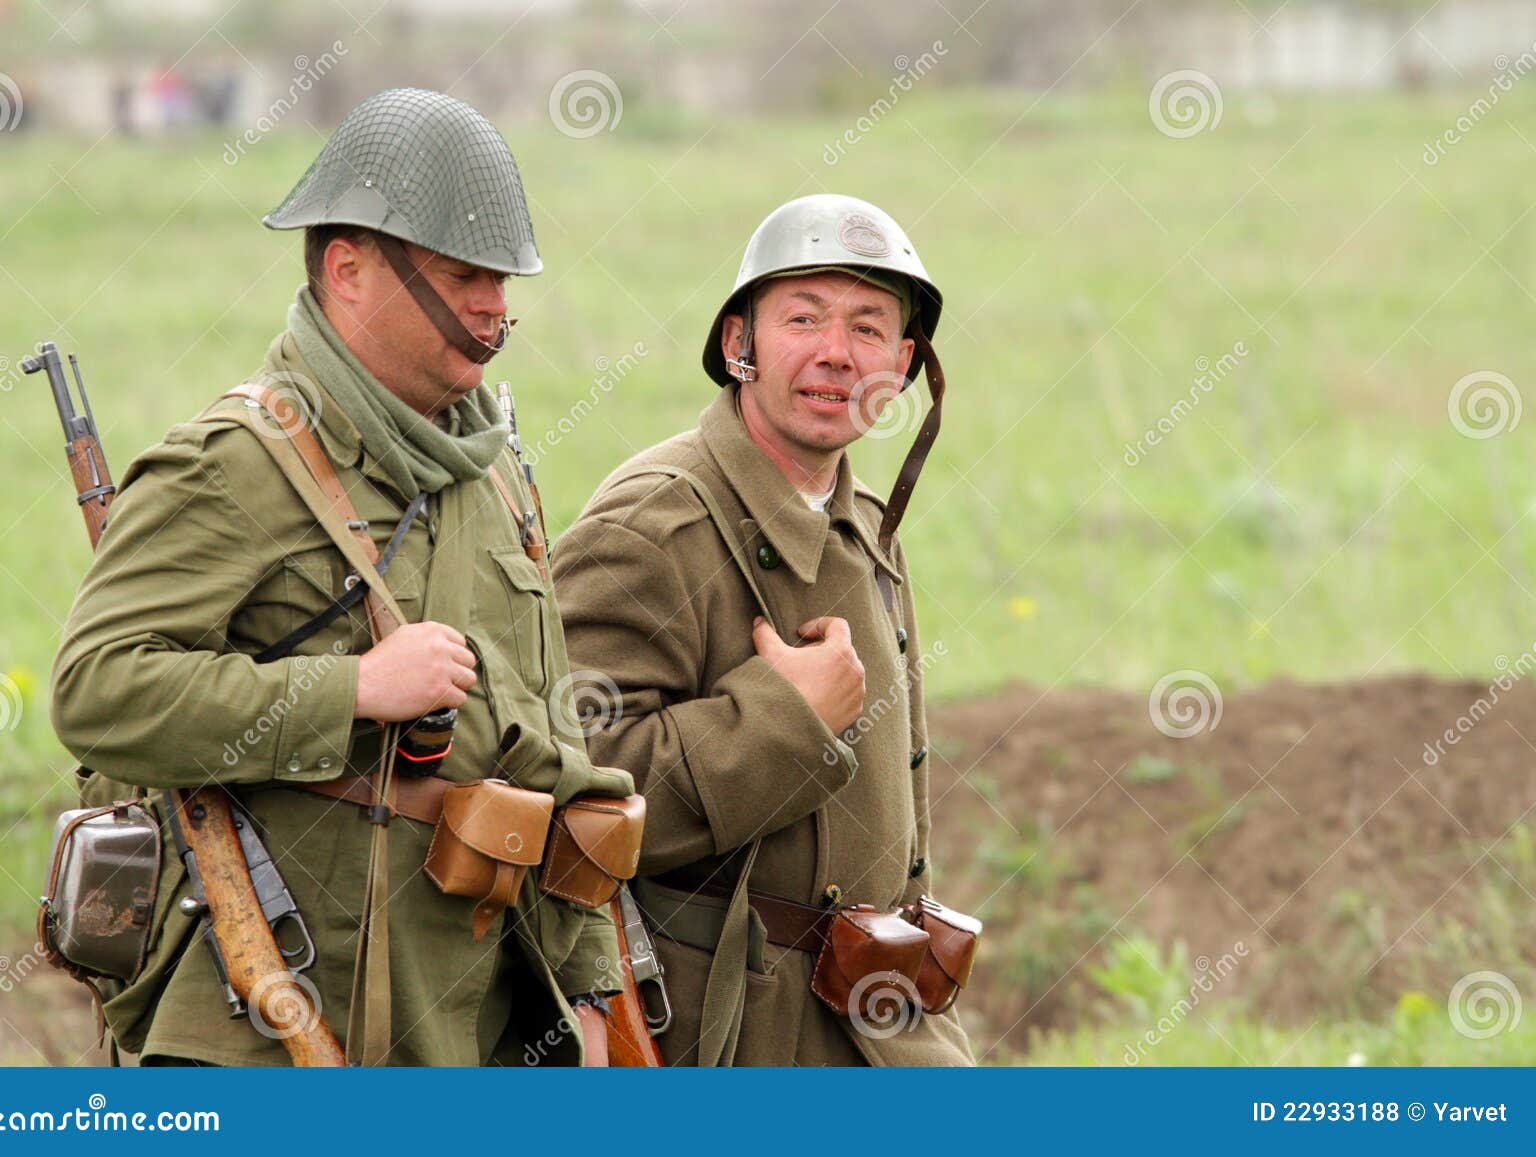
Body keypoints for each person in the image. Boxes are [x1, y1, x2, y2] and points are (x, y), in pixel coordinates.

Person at [51, 88, 631, 1066]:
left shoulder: (490, 472)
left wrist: (590, 990)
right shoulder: (232, 465)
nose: (493, 306)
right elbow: (96, 689)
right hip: (266, 1013)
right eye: (462, 274)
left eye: (502, 279)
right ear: (348, 269)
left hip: (475, 1016)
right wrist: (352, 691)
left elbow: (548, 749)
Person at [552, 194, 975, 1065]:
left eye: (867, 327)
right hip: (713, 1032)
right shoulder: (650, 525)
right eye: (804, 318)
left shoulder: (865, 527)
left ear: (901, 365)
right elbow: (569, 793)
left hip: (873, 1025)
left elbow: (908, 823)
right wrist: (783, 717)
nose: (835, 352)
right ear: (739, 344)